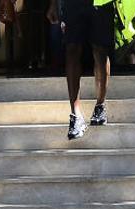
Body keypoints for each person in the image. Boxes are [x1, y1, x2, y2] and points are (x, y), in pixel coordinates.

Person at [47, 0, 115, 139]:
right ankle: (75, 114)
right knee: (71, 48)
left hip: (102, 3)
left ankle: (100, 105)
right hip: (73, 4)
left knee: (100, 50)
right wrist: (53, 4)